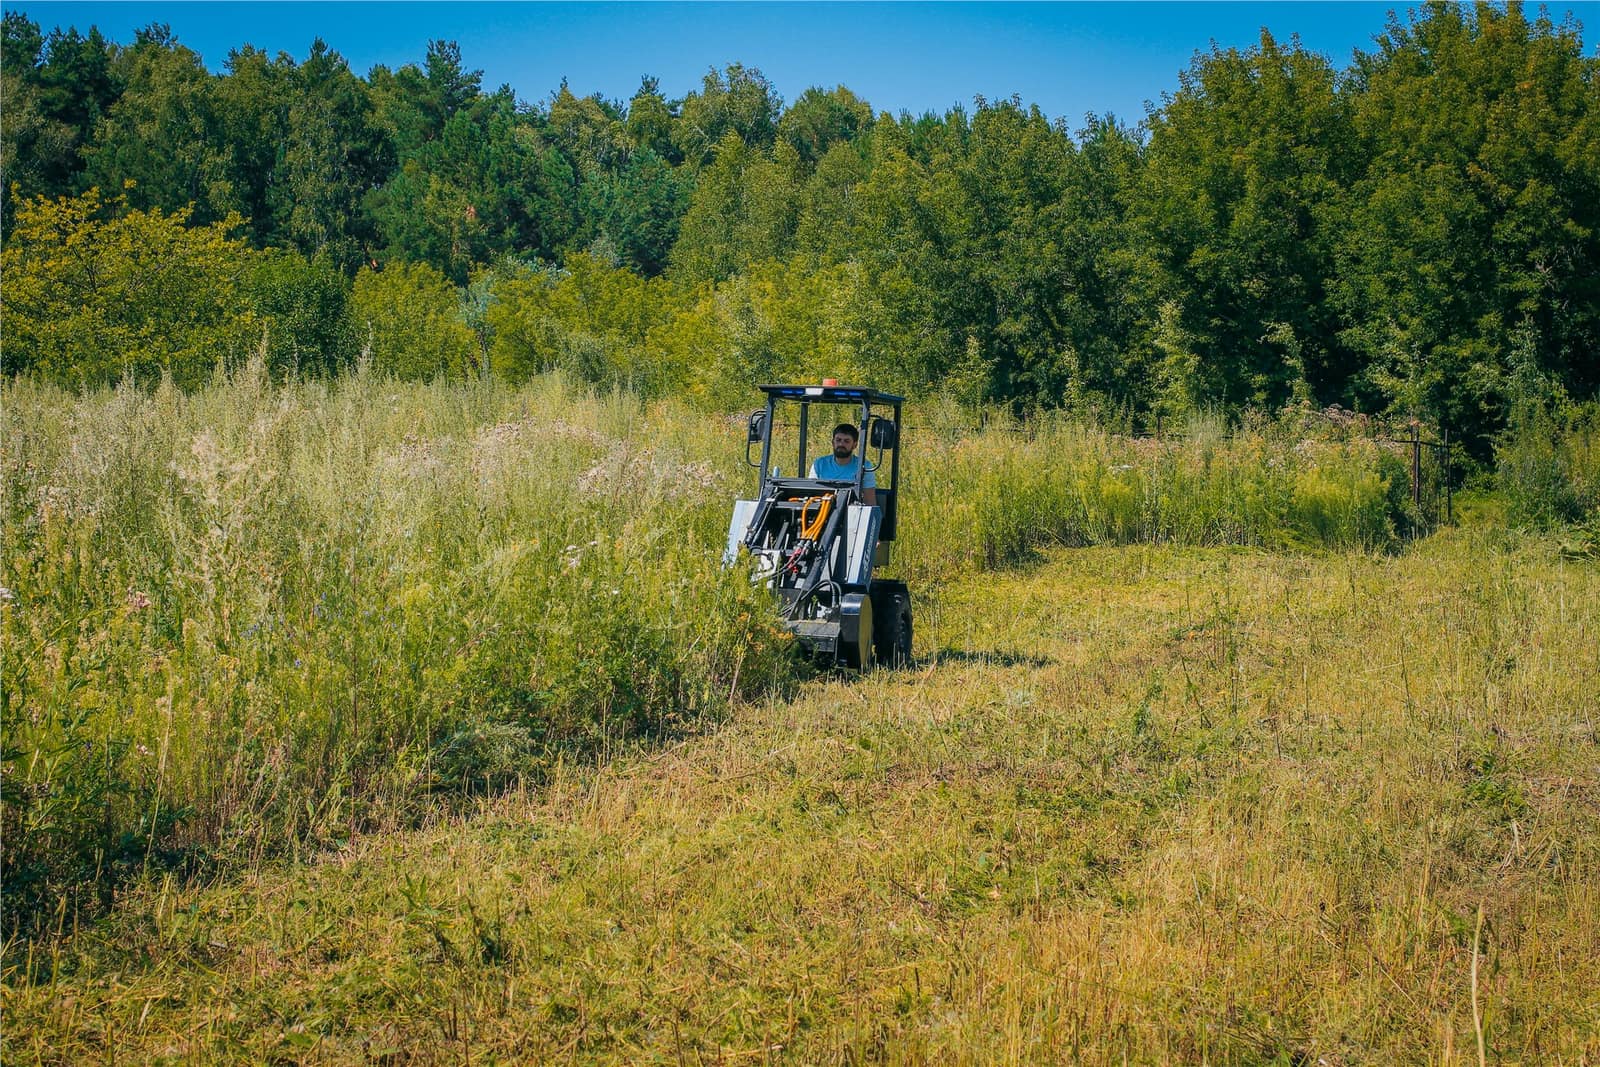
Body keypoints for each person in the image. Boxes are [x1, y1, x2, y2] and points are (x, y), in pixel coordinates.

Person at [810, 422, 876, 505]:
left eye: (846, 441)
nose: (841, 444)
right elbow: (811, 494)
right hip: (822, 511)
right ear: (833, 442)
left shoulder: (864, 466)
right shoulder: (819, 464)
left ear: (854, 445)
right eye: (838, 440)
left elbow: (870, 500)